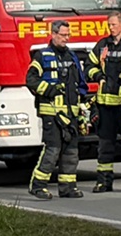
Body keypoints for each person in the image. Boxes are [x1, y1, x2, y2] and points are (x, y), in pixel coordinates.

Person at [26, 19, 90, 199]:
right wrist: (50, 89)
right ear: (53, 34)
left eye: (68, 35)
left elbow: (80, 84)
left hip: (71, 114)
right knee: (53, 150)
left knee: (71, 152)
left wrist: (83, 106)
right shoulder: (42, 56)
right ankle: (38, 186)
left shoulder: (72, 56)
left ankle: (67, 187)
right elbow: (31, 80)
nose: (66, 38)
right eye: (63, 35)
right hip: (51, 114)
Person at [87, 11, 121, 193]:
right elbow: (89, 66)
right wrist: (98, 76)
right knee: (105, 146)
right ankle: (104, 182)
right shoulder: (103, 45)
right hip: (105, 105)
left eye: (114, 25)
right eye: (109, 25)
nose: (111, 28)